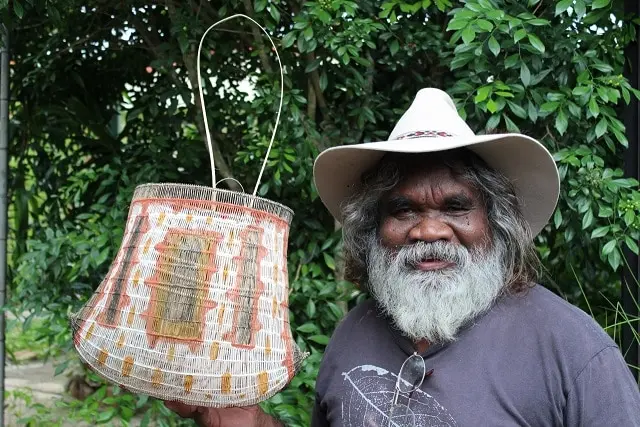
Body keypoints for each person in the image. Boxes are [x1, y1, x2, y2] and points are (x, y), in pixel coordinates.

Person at [165, 88, 640, 426]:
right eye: (402, 209)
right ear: (375, 230)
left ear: (495, 222)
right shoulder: (354, 333)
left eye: (456, 207)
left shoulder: (574, 350)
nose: (428, 230)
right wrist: (239, 419)